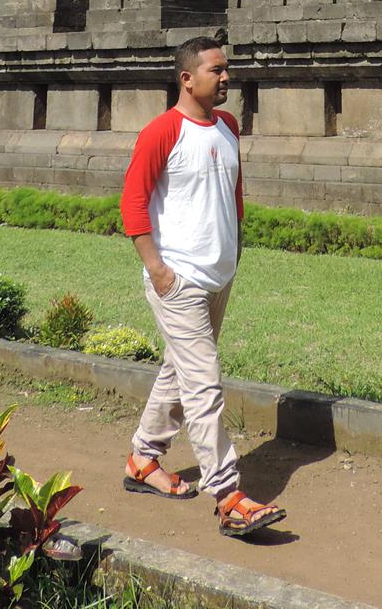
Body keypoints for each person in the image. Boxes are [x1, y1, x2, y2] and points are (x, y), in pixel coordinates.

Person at [119, 36, 287, 539]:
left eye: (227, 69)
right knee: (204, 384)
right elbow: (133, 204)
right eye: (216, 70)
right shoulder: (161, 133)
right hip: (180, 280)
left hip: (219, 276)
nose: (226, 77)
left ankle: (143, 460)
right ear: (187, 78)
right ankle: (229, 495)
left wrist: (234, 251)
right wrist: (158, 271)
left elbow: (233, 195)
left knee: (179, 370)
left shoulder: (229, 127)